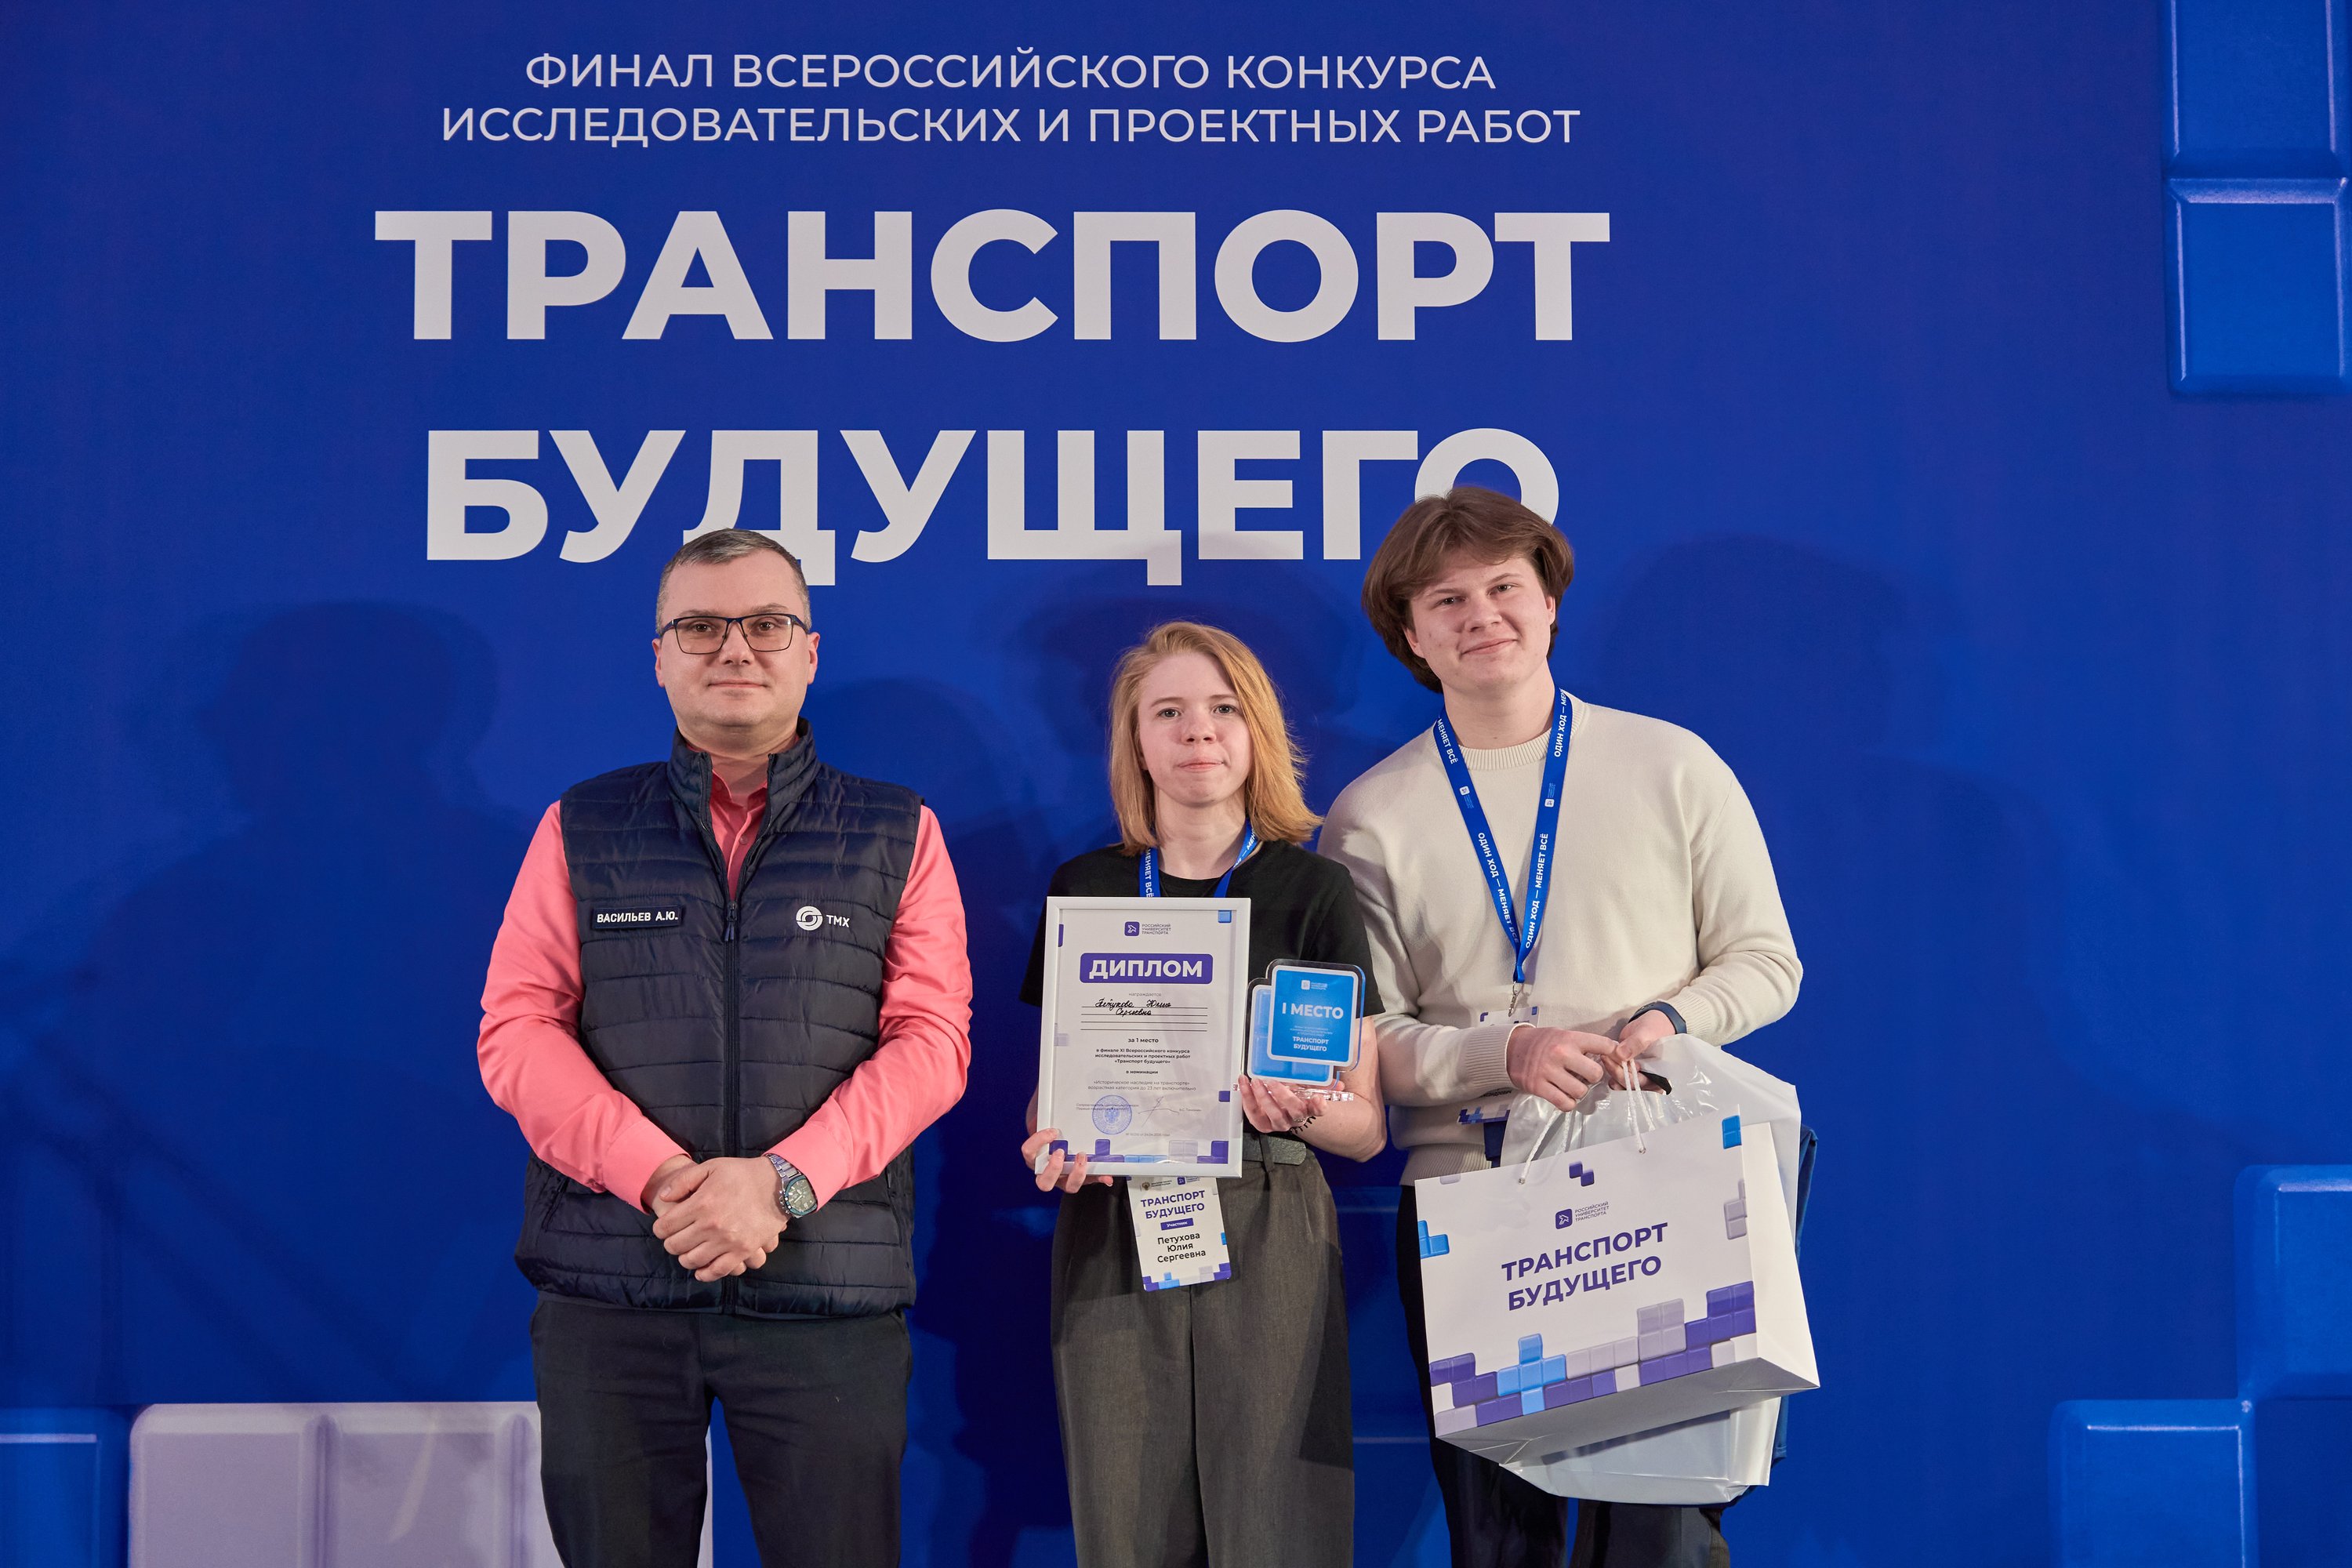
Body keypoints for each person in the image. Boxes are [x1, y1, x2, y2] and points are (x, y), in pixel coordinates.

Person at [1318, 488, 1803, 1568]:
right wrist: (1505, 1051)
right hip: (1471, 1201)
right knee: (1499, 1537)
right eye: (1446, 600)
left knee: (1662, 1529)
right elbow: (1371, 1039)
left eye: (1504, 587)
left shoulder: (1672, 765)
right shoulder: (1370, 814)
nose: (1480, 615)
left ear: (1549, 604)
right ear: (1410, 635)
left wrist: (1670, 1019)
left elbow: (1768, 961)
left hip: (1665, 1187)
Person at [476, 528, 973, 1568]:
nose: (735, 648)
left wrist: (782, 1183)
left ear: (809, 651)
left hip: (824, 1292)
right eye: (701, 626)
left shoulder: (898, 830)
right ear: (659, 656)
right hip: (613, 1292)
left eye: (766, 624)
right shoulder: (582, 825)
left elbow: (932, 1043)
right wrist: (662, 1179)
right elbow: (518, 1030)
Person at [1016, 621, 1386, 1568]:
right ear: (1135, 742)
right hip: (1116, 1214)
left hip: (1270, 1212)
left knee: (1277, 1521)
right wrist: (1050, 1142)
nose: (1198, 731)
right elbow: (1050, 1094)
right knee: (1125, 1516)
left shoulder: (1315, 887)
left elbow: (1365, 1127)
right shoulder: (1086, 887)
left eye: (1224, 708)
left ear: (1256, 731)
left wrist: (1301, 1106)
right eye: (1168, 712)